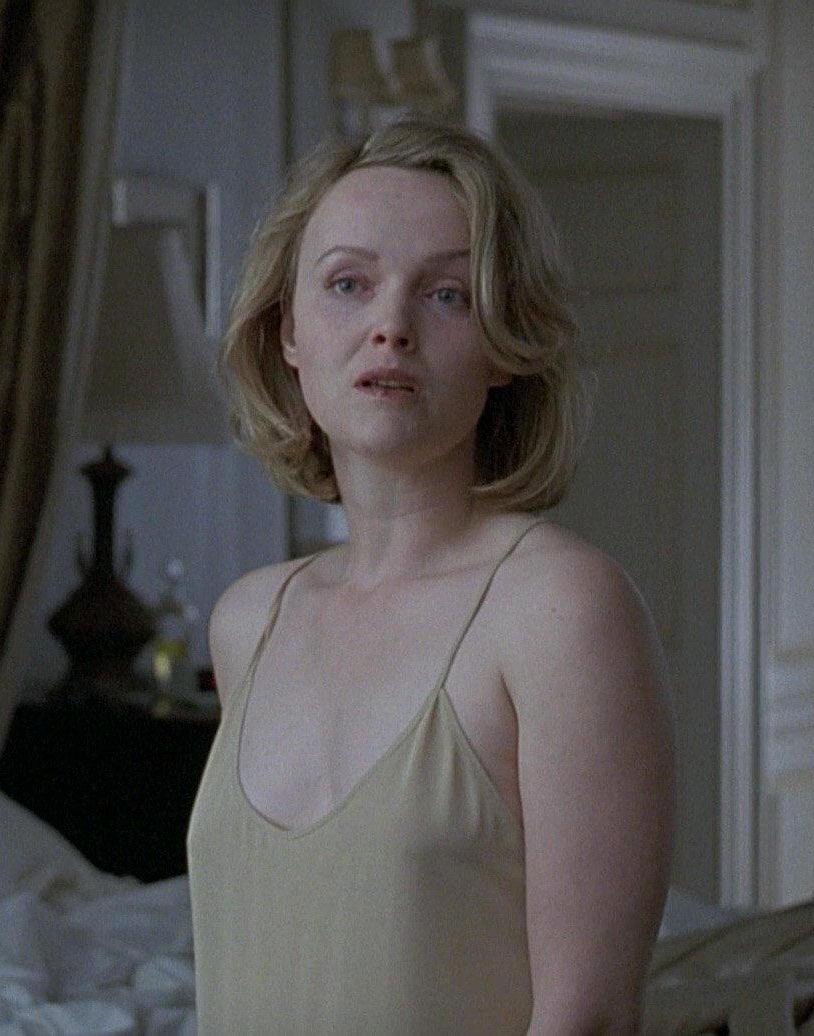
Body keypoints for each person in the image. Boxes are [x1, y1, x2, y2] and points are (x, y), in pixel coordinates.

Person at [186, 119, 675, 1034]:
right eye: (348, 284)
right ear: (288, 331)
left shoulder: (561, 609)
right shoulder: (249, 619)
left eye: (447, 294)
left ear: (504, 346)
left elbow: (590, 1017)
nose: (391, 327)